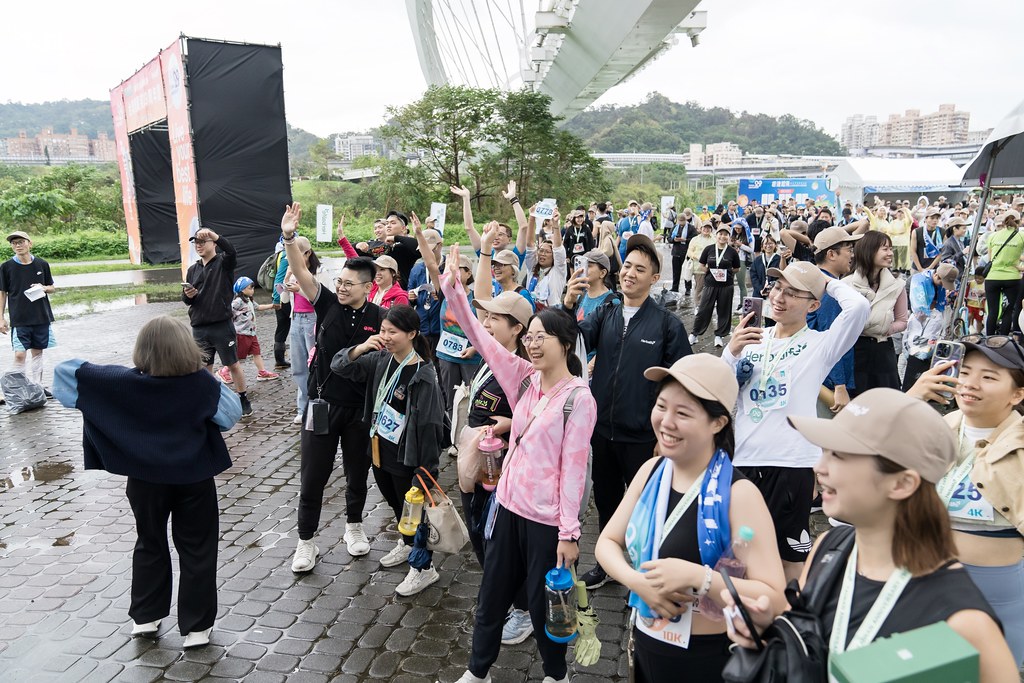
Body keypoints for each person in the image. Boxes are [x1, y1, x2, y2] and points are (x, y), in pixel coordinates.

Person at [721, 388, 1018, 683]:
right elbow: (808, 640)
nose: (819, 468)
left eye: (839, 455)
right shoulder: (829, 547)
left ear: (902, 483)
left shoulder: (965, 622)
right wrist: (768, 628)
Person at [443, 245, 597, 683]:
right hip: (507, 507)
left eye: (539, 337)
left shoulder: (578, 399)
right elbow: (479, 336)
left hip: (546, 520)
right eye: (527, 336)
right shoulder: (523, 379)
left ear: (565, 344)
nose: (530, 343)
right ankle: (478, 671)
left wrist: (569, 533)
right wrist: (454, 289)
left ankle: (555, 674)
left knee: (542, 598)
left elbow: (574, 470)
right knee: (491, 594)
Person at [52, 315, 241, 649]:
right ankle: (197, 628)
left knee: (149, 542)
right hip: (194, 477)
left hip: (144, 479)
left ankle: (145, 618)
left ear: (143, 349)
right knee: (198, 549)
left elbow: (64, 374)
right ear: (186, 346)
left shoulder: (120, 381)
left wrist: (118, 381)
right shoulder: (202, 383)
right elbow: (229, 417)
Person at [595, 354, 786, 681]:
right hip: (646, 641)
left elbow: (776, 599)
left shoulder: (739, 494)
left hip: (708, 658)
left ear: (718, 422)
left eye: (683, 413)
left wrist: (702, 578)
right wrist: (639, 583)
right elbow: (607, 543)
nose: (666, 422)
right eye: (661, 406)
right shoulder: (651, 471)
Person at [722, 262, 869, 580]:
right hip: (744, 460)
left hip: (791, 465)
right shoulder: (751, 338)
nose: (779, 296)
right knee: (738, 552)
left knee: (790, 558)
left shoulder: (820, 345)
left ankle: (783, 622)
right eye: (777, 288)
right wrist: (731, 354)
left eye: (792, 292)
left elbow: (858, 307)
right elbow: (722, 392)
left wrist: (823, 281)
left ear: (813, 305)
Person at [563, 234, 691, 589]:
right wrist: (570, 305)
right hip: (602, 430)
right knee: (606, 500)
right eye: (628, 267)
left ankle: (649, 570)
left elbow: (680, 385)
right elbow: (574, 341)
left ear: (654, 278)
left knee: (650, 506)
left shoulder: (667, 325)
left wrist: (665, 435)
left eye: (640, 269)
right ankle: (608, 562)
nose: (630, 274)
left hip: (643, 437)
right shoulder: (605, 312)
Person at [908, 336, 1024, 666]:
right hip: (927, 579)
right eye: (966, 371)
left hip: (1000, 592)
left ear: (1017, 394)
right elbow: (861, 459)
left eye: (988, 377)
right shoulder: (934, 428)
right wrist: (911, 401)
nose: (970, 384)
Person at [280, 204, 384, 570]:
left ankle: (354, 527)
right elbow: (300, 271)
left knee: (358, 473)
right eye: (339, 281)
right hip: (322, 405)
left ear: (367, 288)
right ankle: (305, 541)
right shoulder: (325, 304)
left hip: (359, 410)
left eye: (348, 284)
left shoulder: (379, 318)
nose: (340, 287)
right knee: (313, 477)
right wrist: (290, 237)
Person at [331, 305, 444, 596]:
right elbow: (339, 366)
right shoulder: (381, 360)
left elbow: (431, 426)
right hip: (379, 448)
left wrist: (426, 469)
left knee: (415, 514)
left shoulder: (423, 374)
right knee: (397, 506)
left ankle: (423, 568)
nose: (386, 336)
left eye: (393, 332)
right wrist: (361, 347)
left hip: (408, 455)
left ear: (412, 334)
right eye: (383, 330)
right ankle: (406, 546)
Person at [181, 227, 251, 417]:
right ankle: (207, 401)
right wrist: (189, 295)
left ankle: (243, 397)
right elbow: (186, 300)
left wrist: (214, 235)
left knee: (233, 364)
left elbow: (231, 251)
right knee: (204, 368)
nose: (199, 245)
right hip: (199, 327)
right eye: (196, 242)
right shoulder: (192, 269)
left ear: (213, 243)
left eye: (203, 241)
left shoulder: (223, 262)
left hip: (221, 325)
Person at [807, 227, 864, 416]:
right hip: (827, 383)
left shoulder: (818, 282)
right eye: (848, 249)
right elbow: (830, 337)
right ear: (831, 254)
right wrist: (840, 385)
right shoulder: (831, 292)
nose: (852, 255)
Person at [844, 231, 908, 395]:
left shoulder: (897, 285)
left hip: (883, 351)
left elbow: (902, 321)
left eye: (890, 249)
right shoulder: (846, 284)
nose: (890, 254)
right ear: (869, 250)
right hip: (856, 350)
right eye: (885, 249)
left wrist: (886, 328)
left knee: (885, 401)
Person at [0, 230, 56, 392]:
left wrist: (43, 288)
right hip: (19, 318)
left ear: (29, 243)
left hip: (41, 316)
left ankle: (37, 387)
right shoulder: (6, 267)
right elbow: (2, 293)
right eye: (14, 243)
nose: (18, 245)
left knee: (37, 354)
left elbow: (52, 287)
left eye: (21, 242)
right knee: (19, 354)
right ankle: (18, 389)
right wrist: (1, 318)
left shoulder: (42, 264)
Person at [282, 235, 327, 425]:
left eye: (296, 255)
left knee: (314, 364)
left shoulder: (319, 271)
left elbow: (324, 299)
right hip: (296, 319)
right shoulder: (291, 272)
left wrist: (299, 289)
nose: (292, 260)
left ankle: (316, 405)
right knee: (298, 366)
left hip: (313, 320)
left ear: (308, 253)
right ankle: (303, 407)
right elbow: (283, 301)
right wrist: (286, 281)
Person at [901, 263, 958, 391]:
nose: (944, 286)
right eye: (942, 282)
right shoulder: (919, 281)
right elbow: (919, 310)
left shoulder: (939, 283)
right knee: (913, 354)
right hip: (918, 320)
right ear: (937, 275)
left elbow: (940, 306)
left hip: (931, 320)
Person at [217, 276, 280, 384]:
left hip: (251, 333)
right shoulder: (238, 302)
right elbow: (228, 311)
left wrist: (272, 306)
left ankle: (262, 372)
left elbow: (258, 307)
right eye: (250, 288)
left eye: (253, 288)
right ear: (242, 289)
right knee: (238, 356)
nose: (253, 290)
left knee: (257, 353)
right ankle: (224, 371)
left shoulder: (249, 300)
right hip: (241, 334)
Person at [689, 226, 740, 349]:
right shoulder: (709, 249)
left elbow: (737, 268)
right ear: (716, 235)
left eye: (725, 234)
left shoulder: (732, 252)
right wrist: (710, 272)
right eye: (720, 234)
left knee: (724, 311)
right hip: (710, 285)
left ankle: (719, 335)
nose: (723, 236)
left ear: (728, 237)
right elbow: (701, 264)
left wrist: (726, 274)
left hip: (726, 286)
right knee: (703, 309)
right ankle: (694, 334)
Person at [982, 210, 1024, 335]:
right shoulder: (1021, 236)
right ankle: (1003, 341)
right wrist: (1019, 266)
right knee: (1008, 311)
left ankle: (989, 340)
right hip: (1012, 278)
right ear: (1019, 221)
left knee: (993, 311)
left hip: (992, 277)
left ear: (1003, 222)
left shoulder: (993, 236)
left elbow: (990, 259)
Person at [524, 211, 568, 310]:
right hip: (530, 312)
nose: (542, 254)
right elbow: (530, 245)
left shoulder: (558, 270)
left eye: (547, 252)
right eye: (541, 250)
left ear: (554, 257)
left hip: (551, 315)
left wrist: (555, 224)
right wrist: (531, 218)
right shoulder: (532, 268)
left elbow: (558, 249)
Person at [269, 241, 291, 370]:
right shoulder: (285, 257)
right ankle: (280, 360)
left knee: (282, 327)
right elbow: (279, 279)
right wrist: (277, 300)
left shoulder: (279, 254)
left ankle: (280, 359)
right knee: (283, 328)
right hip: (283, 299)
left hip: (281, 297)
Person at [669, 208, 698, 295]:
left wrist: (685, 240)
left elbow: (694, 239)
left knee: (687, 271)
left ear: (686, 220)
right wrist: (674, 240)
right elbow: (669, 238)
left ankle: (688, 288)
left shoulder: (691, 228)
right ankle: (675, 287)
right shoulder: (675, 227)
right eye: (679, 221)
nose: (681, 223)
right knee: (676, 271)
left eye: (683, 221)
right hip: (676, 252)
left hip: (686, 253)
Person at [909, 207, 945, 274]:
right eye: (932, 218)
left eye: (937, 218)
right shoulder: (917, 232)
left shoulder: (942, 232)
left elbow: (941, 252)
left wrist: (930, 268)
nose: (935, 220)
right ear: (926, 218)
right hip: (917, 267)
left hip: (934, 268)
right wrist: (920, 269)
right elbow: (913, 251)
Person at [686, 221, 715, 305]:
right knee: (699, 287)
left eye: (708, 228)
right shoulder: (695, 239)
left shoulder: (714, 239)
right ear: (701, 229)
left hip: (712, 268)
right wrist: (698, 257)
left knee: (710, 288)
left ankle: (707, 305)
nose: (706, 230)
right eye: (704, 228)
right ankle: (698, 305)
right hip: (699, 268)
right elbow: (689, 252)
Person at [730, 220, 753, 307]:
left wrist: (741, 245)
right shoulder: (733, 235)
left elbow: (751, 250)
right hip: (731, 260)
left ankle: (743, 304)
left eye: (739, 228)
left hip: (742, 260)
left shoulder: (749, 236)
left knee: (741, 284)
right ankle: (729, 301)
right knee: (729, 283)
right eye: (735, 228)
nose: (737, 230)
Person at [966, 265, 987, 334]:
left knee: (979, 320)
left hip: (980, 306)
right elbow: (966, 291)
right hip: (970, 304)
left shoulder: (986, 284)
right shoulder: (971, 283)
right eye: (976, 278)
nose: (977, 280)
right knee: (969, 316)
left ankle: (978, 332)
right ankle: (967, 329)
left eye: (980, 279)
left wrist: (984, 293)